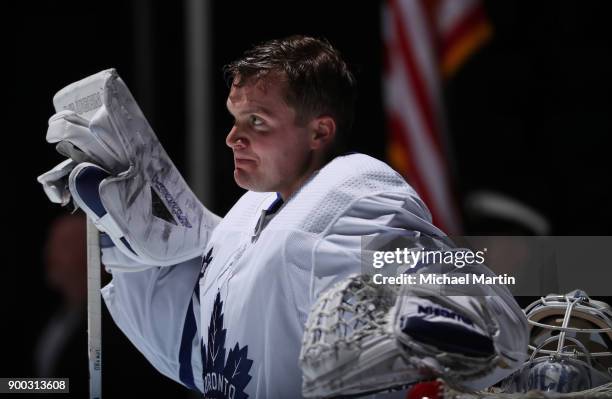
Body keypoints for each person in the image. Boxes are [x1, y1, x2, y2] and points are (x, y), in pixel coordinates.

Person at [39, 35, 528, 398]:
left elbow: (485, 309)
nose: (233, 138)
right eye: (234, 119)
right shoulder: (245, 218)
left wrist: (443, 318)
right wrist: (137, 255)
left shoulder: (355, 193)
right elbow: (199, 364)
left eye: (257, 121)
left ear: (319, 132)